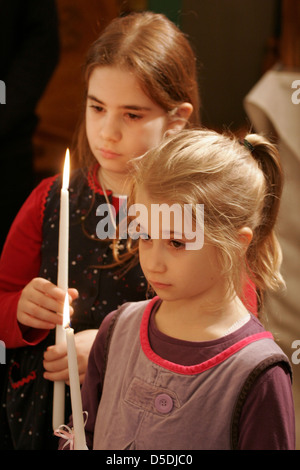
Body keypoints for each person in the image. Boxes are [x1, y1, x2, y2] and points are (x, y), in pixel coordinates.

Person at [0, 11, 200, 450]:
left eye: (131, 114)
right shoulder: (50, 200)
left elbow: (223, 325)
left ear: (176, 118)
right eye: (97, 107)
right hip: (46, 420)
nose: (106, 131)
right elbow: (4, 296)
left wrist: (118, 351)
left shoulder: (192, 214)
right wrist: (21, 311)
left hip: (150, 421)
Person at [74, 129, 295, 450]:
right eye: (146, 236)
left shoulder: (260, 373)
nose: (153, 262)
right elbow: (84, 435)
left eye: (176, 242)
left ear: (235, 243)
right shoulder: (116, 329)